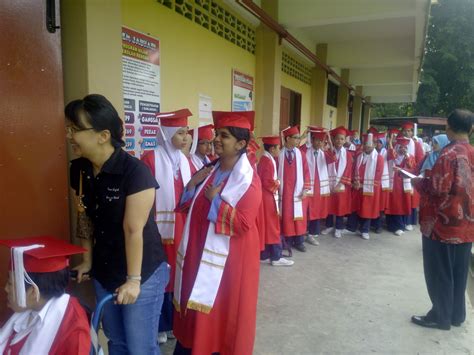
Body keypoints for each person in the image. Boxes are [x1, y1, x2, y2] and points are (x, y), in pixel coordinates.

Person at [66, 94, 169, 354]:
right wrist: (88, 260)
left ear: (103, 135)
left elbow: (133, 230)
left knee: (140, 347)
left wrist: (133, 281)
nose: (69, 135)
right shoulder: (79, 169)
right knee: (118, 343)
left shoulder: (135, 173)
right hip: (104, 271)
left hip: (142, 273)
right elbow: (84, 215)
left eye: (75, 129)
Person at [172, 111, 262, 355]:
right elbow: (188, 206)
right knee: (195, 305)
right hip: (198, 249)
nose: (216, 140)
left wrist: (215, 201)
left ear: (241, 144)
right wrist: (192, 185)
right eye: (217, 135)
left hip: (229, 261)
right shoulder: (211, 169)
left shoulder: (248, 180)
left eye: (224, 136)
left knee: (219, 311)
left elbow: (243, 223)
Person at [411, 109, 474, 330]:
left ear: (448, 127)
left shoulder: (448, 155)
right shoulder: (472, 152)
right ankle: (456, 315)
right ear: (471, 129)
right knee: (459, 272)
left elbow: (438, 189)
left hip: (442, 226)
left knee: (440, 273)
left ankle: (440, 316)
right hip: (467, 227)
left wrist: (417, 182)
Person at [141, 109, 193, 344]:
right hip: (159, 228)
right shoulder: (150, 158)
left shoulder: (186, 161)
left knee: (179, 274)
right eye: (180, 132)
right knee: (161, 275)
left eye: (187, 133)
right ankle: (160, 325)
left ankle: (174, 323)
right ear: (168, 132)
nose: (185, 138)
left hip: (181, 226)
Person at [0, 236, 90, 355]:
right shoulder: (31, 308)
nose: (6, 289)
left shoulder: (73, 333)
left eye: (10, 283)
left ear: (33, 291)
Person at [258, 136, 294, 266]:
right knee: (274, 227)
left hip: (265, 197)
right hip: (268, 198)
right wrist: (278, 183)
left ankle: (265, 255)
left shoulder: (265, 158)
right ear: (272, 148)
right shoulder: (267, 161)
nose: (280, 149)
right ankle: (276, 257)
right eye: (278, 147)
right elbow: (268, 182)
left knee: (268, 227)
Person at [278, 126, 311, 253]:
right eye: (296, 138)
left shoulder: (301, 155)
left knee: (299, 218)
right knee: (286, 216)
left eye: (298, 138)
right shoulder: (279, 155)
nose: (298, 140)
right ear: (288, 138)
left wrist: (305, 189)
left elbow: (307, 172)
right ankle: (288, 241)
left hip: (298, 192)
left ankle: (299, 241)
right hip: (285, 192)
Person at [346, 133, 384, 240]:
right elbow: (354, 170)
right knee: (355, 207)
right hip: (357, 187)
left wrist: (363, 185)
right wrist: (354, 182)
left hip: (369, 188)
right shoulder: (359, 156)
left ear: (374, 145)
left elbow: (377, 177)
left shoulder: (379, 159)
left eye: (370, 144)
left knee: (367, 209)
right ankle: (351, 227)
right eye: (365, 144)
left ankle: (365, 230)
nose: (367, 146)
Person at [301, 128, 335, 245]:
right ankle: (302, 233)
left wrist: (330, 141)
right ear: (313, 140)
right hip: (308, 186)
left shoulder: (324, 153)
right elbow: (299, 150)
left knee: (316, 210)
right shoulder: (305, 151)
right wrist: (304, 138)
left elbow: (333, 158)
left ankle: (311, 234)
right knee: (305, 210)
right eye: (317, 140)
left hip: (319, 187)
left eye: (322, 141)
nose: (320, 143)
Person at [322, 126, 353, 238]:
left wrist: (340, 183)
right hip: (330, 183)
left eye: (342, 139)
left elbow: (348, 170)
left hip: (341, 185)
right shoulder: (328, 152)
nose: (339, 141)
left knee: (340, 206)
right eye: (337, 139)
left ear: (345, 140)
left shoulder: (348, 155)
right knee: (329, 205)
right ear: (334, 140)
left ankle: (339, 228)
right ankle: (329, 226)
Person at [385, 135, 416, 236]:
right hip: (393, 183)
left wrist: (401, 170)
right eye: (401, 147)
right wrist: (390, 143)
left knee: (402, 204)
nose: (403, 149)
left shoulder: (410, 157)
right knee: (393, 203)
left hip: (404, 184)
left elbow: (412, 169)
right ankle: (391, 225)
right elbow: (391, 154)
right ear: (397, 147)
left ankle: (400, 226)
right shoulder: (393, 155)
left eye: (405, 147)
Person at [400, 122, 425, 230]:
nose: (407, 132)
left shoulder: (416, 144)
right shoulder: (398, 143)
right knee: (402, 198)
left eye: (409, 131)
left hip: (413, 173)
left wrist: (416, 171)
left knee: (411, 198)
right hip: (401, 174)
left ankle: (410, 221)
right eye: (405, 130)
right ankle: (402, 221)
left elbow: (421, 160)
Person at [372, 132, 389, 233]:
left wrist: (390, 142)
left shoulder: (385, 152)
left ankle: (379, 226)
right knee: (373, 203)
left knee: (380, 205)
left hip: (382, 182)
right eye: (376, 142)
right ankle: (373, 224)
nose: (378, 144)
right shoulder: (372, 152)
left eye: (380, 142)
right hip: (373, 181)